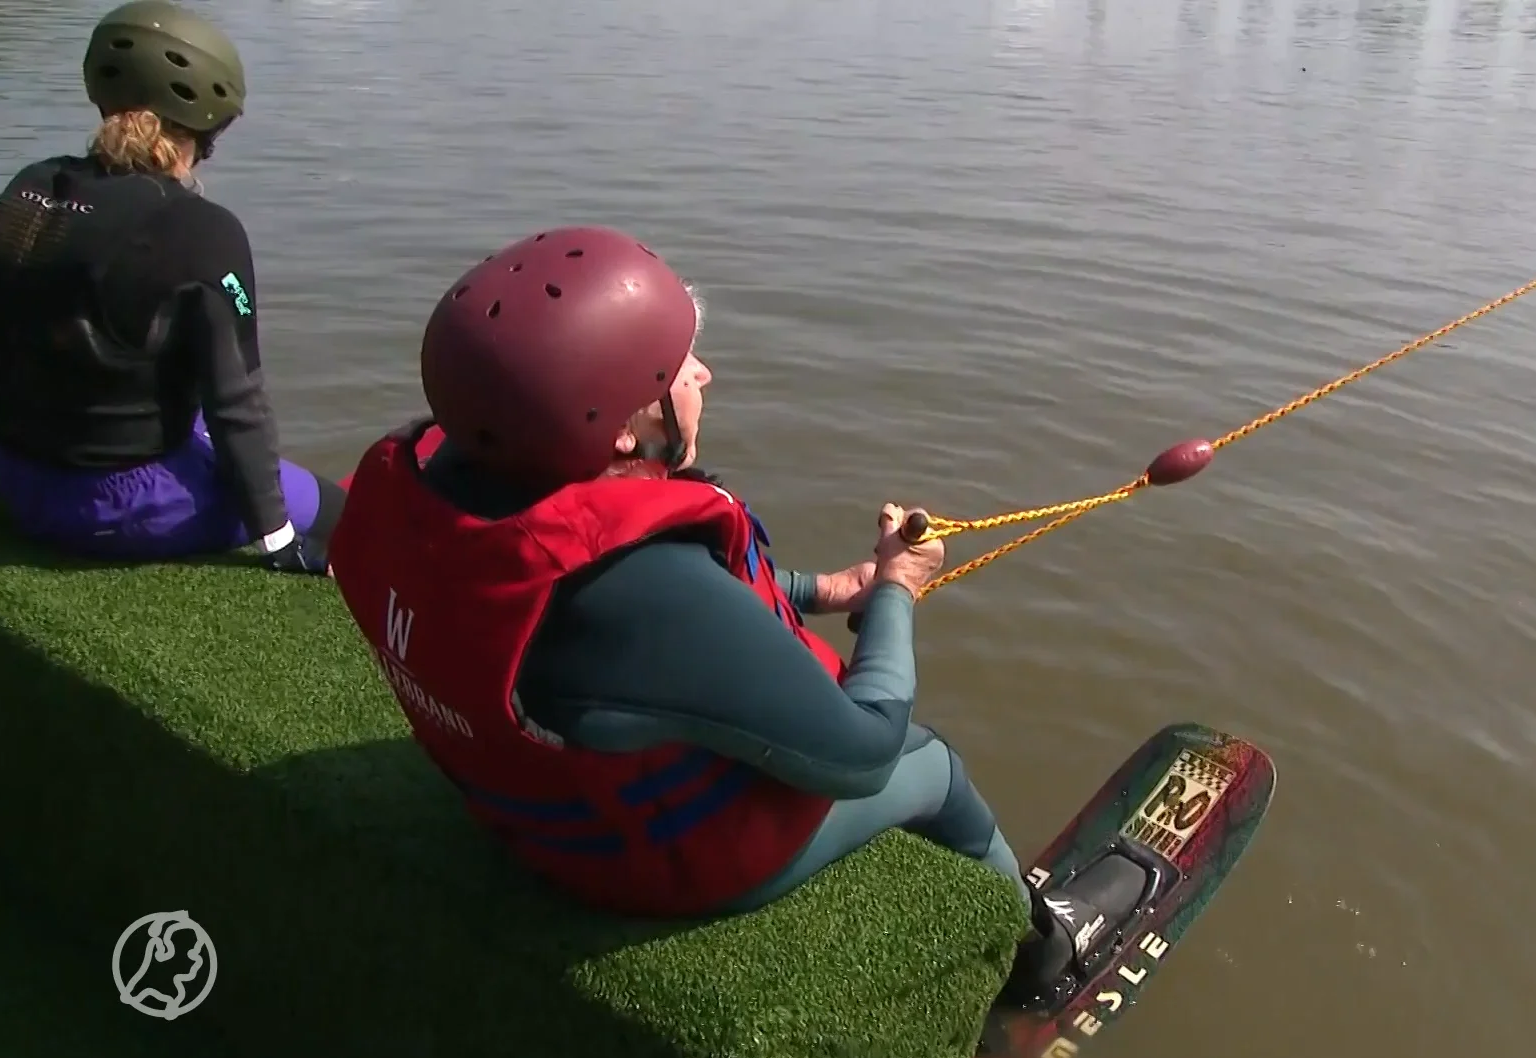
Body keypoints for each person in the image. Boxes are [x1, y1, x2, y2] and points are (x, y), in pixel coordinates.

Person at [327, 226, 1082, 1000]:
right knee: (931, 764)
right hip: (650, 866)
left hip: (517, 817)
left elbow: (683, 623)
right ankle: (1035, 953)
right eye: (676, 369)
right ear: (622, 428)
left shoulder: (434, 490)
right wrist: (898, 589)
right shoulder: (634, 588)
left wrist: (825, 590)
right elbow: (863, 755)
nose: (703, 374)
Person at [0, 0, 336, 571]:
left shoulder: (31, 186)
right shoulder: (204, 229)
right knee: (336, 507)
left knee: (188, 416)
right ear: (207, 124)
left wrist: (2, 444)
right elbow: (238, 406)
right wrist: (278, 541)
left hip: (16, 475)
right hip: (115, 510)